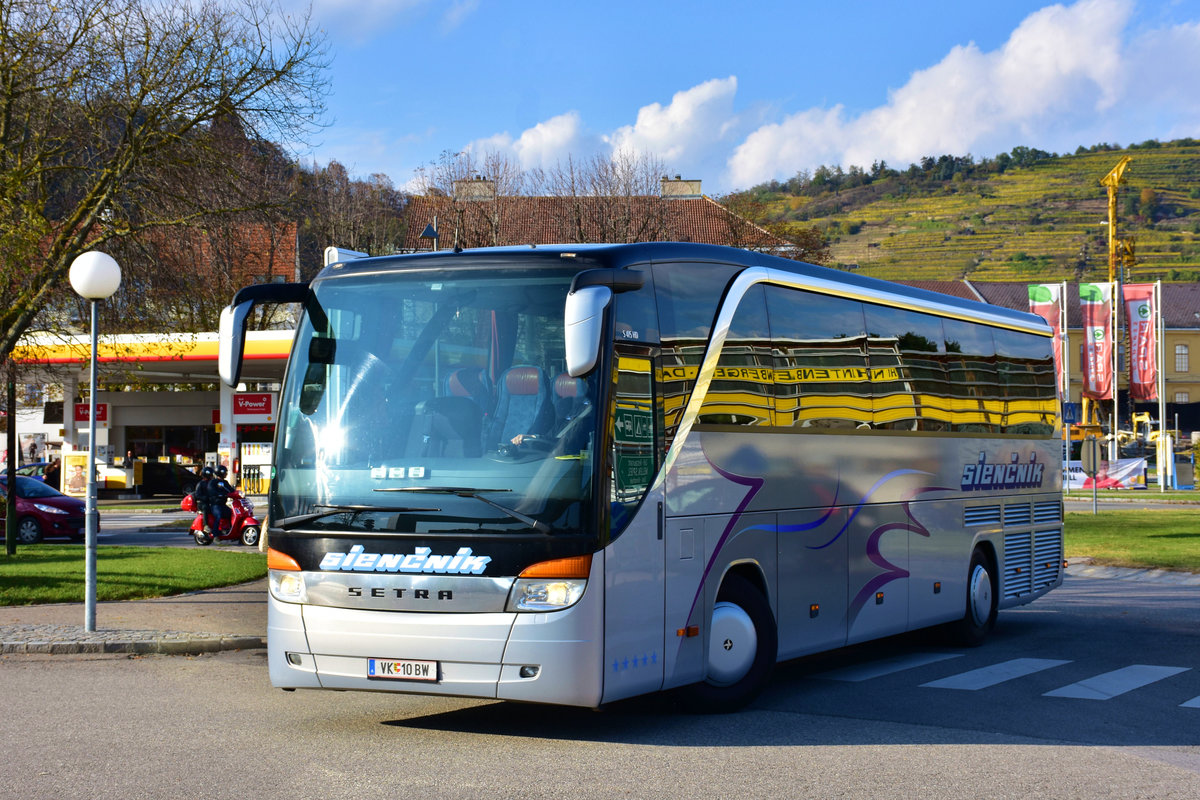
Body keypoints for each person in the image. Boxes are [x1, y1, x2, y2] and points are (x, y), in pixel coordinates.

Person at [194, 466, 216, 535]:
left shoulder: (212, 483)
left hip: (211, 502)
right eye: (210, 475)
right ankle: (206, 525)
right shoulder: (201, 484)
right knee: (206, 508)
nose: (212, 476)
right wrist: (205, 498)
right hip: (202, 503)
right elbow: (197, 495)